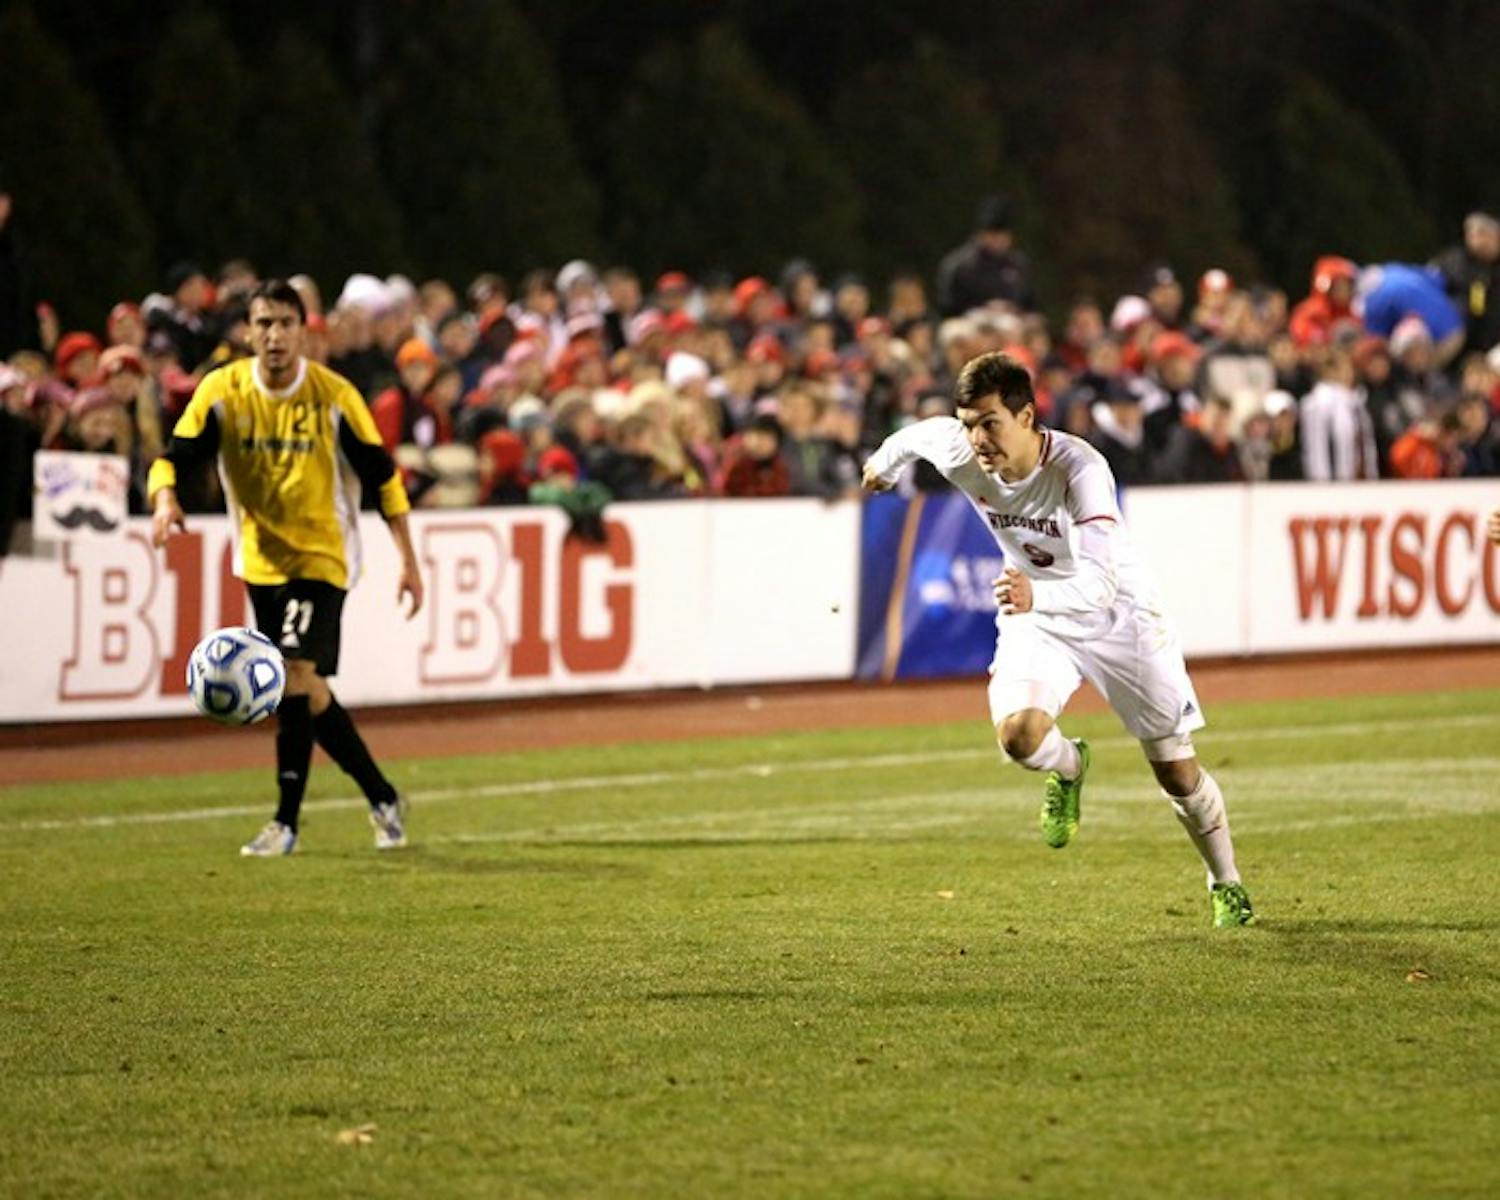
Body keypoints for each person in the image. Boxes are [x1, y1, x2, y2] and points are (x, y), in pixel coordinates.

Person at [861, 351, 1255, 928]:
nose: (977, 439)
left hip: (1120, 618)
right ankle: (1069, 767)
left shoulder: (1080, 470)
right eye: (968, 424)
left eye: (990, 423)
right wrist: (881, 465)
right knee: (1018, 738)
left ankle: (1226, 882)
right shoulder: (960, 449)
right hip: (1038, 615)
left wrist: (1035, 596)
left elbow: (1100, 585)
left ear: (1026, 417)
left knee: (1175, 770)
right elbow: (918, 436)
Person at [147, 279, 424, 857]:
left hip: (323, 555)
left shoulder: (335, 396)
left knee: (293, 674)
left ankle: (285, 822)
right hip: (260, 560)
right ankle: (382, 795)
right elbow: (173, 458)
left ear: (303, 332)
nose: (274, 334)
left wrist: (408, 560)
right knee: (308, 690)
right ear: (249, 332)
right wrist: (165, 500)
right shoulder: (222, 391)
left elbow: (383, 478)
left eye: (285, 323)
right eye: (264, 323)